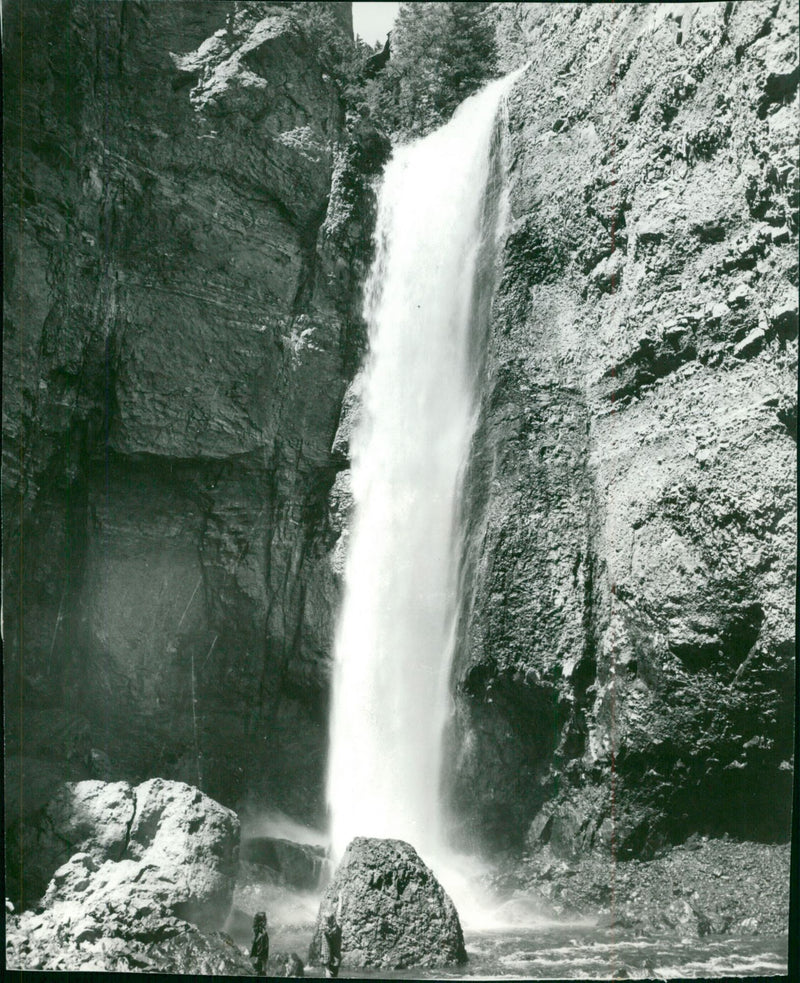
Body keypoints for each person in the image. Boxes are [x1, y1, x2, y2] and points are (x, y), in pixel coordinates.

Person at [321, 911, 342, 979]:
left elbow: (326, 949)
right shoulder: (338, 928)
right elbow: (339, 918)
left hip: (330, 962)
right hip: (336, 959)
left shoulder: (325, 933)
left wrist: (326, 969)